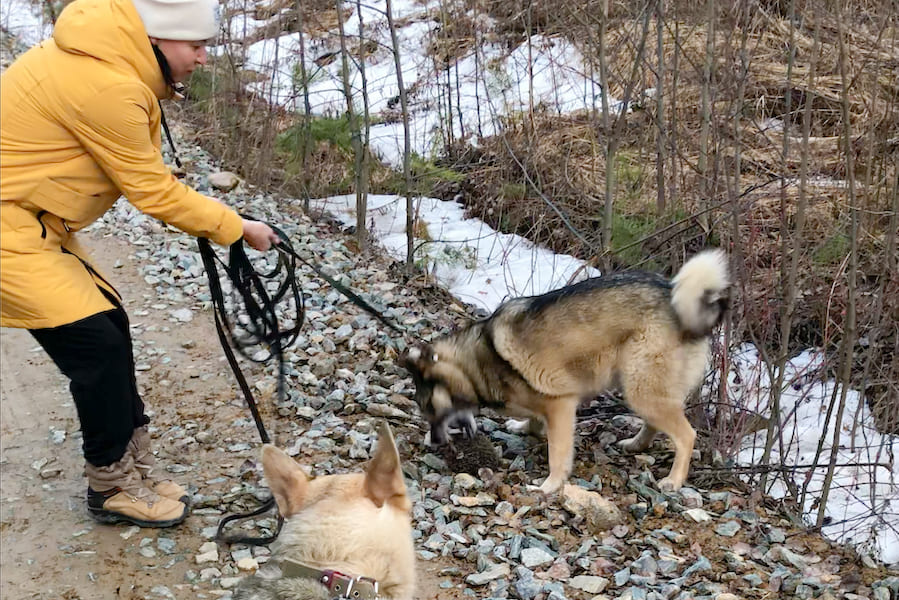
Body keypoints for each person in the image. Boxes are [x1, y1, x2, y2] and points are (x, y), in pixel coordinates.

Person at [0, 0, 279, 528]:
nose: (202, 58)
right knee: (96, 348)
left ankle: (133, 467)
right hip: (10, 229)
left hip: (31, 223)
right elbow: (152, 193)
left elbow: (131, 163)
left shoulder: (105, 60)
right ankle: (110, 486)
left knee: (111, 325)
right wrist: (237, 227)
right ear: (157, 40)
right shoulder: (111, 86)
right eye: (195, 46)